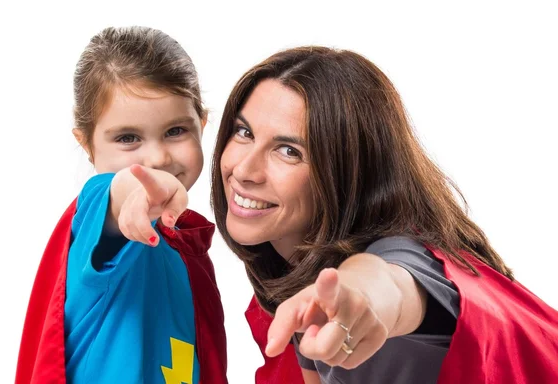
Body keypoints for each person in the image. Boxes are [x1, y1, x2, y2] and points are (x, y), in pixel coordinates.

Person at [210, 46, 558, 383]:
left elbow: (385, 284)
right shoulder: (305, 289)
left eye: (289, 151)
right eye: (244, 132)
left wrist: (359, 300)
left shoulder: (399, 260)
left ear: (350, 173)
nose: (244, 169)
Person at [16, 26, 227, 384]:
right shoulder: (95, 217)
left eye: (176, 131)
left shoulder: (182, 243)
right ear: (87, 144)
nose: (157, 158)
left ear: (202, 124)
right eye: (127, 138)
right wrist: (135, 192)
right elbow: (118, 193)